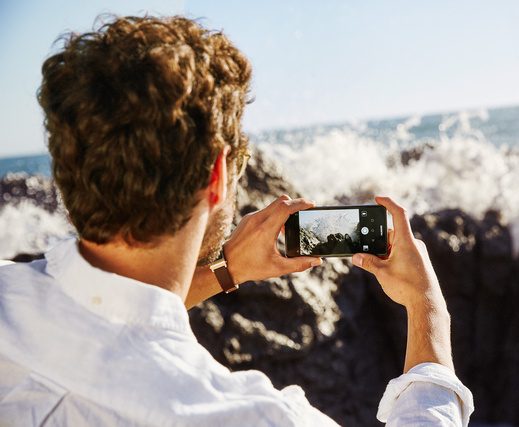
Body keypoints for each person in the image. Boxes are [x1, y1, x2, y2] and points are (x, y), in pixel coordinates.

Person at [0, 15, 473, 426]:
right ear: (217, 174)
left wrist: (229, 269)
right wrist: (428, 309)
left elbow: (106, 322)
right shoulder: (253, 417)